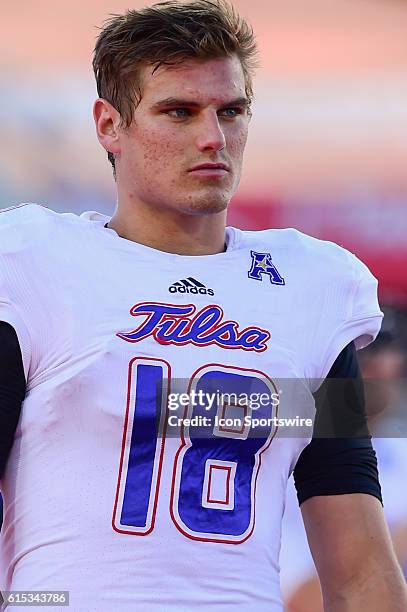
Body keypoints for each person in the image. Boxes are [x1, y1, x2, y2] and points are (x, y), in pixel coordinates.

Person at [0, 1, 406, 610]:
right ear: (109, 126)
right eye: (179, 111)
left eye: (231, 111)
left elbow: (359, 567)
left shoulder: (310, 290)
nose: (213, 137)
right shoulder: (36, 265)